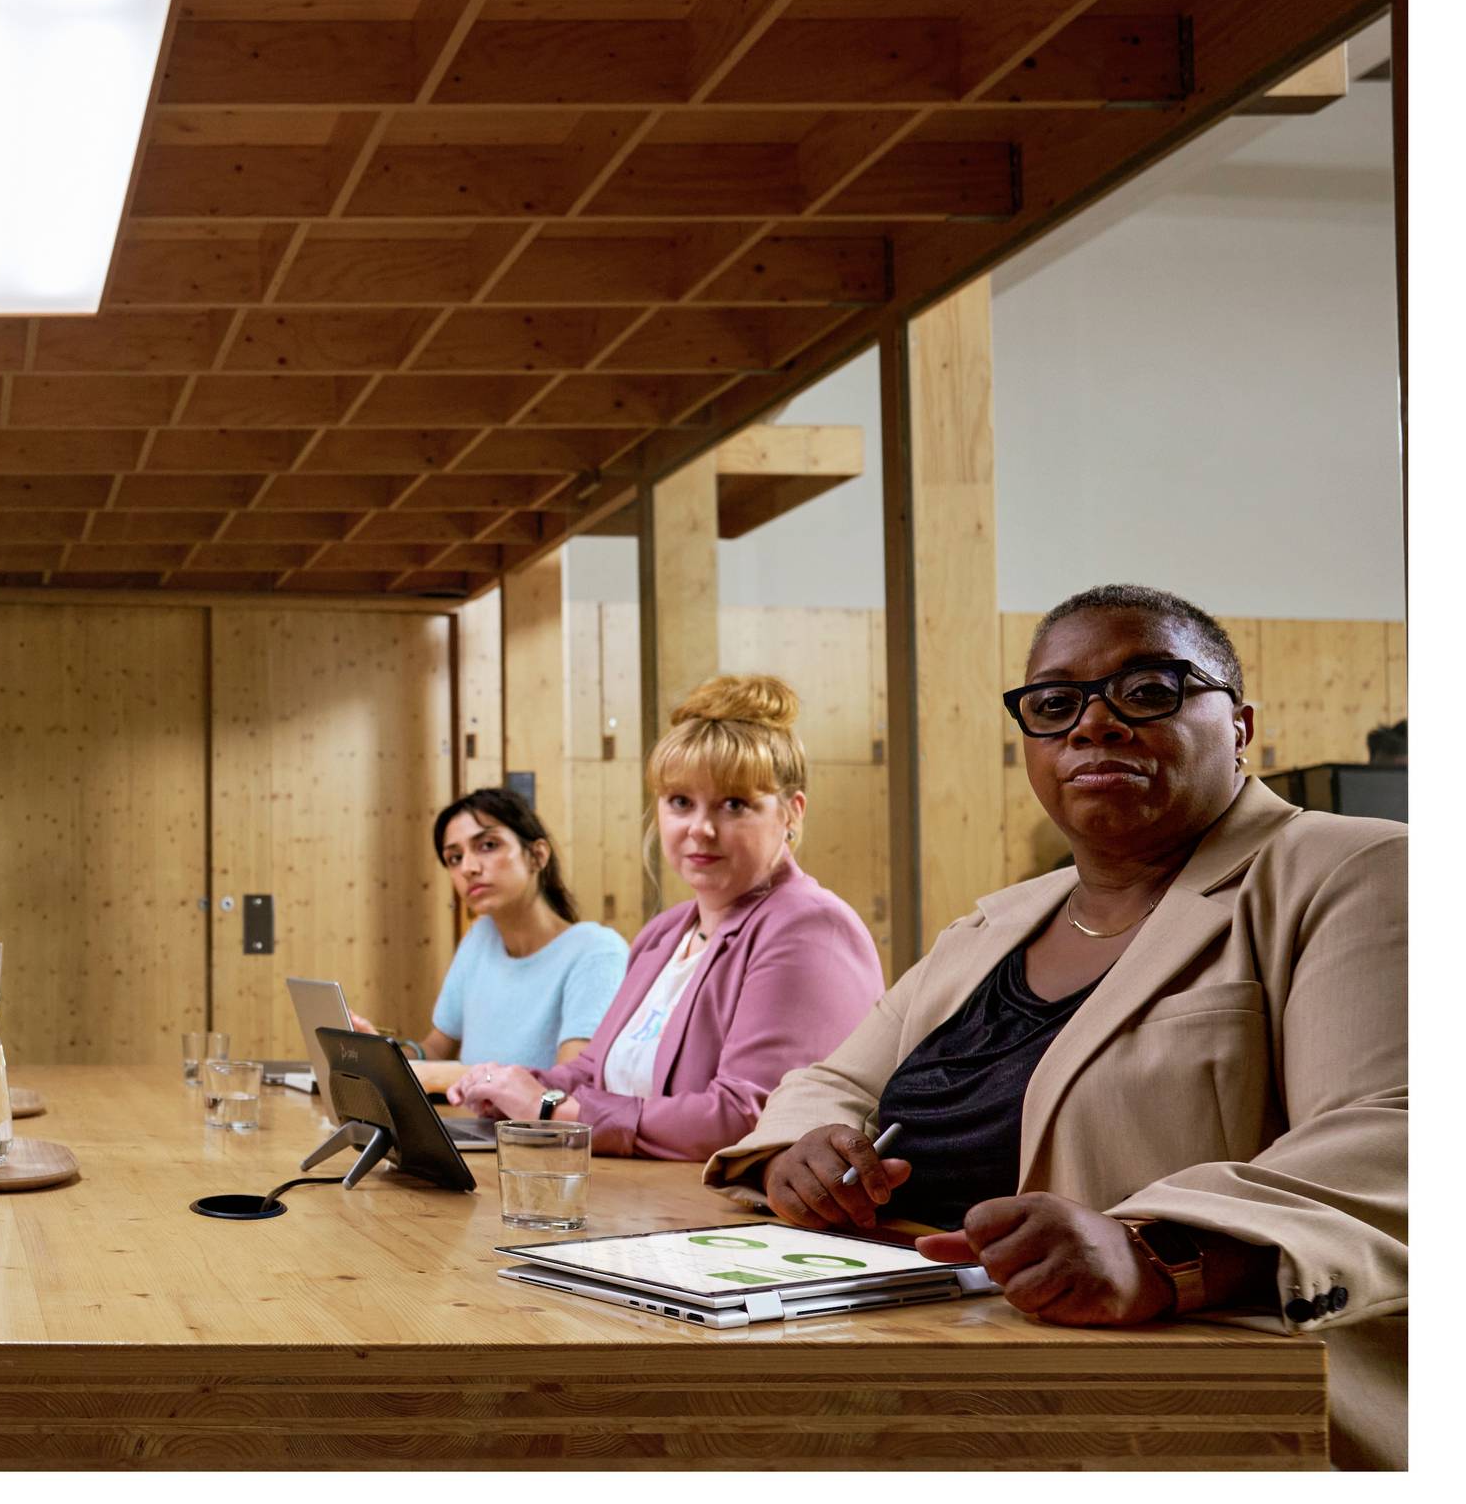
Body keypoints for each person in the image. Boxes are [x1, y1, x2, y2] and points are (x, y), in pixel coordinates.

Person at [707, 586, 1406, 1469]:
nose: (1094, 724)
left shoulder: (1351, 869)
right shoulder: (995, 925)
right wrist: (799, 1149)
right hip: (928, 1366)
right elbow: (830, 1080)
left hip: (1199, 1410)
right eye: (1054, 704)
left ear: (1239, 724)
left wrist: (1160, 1251)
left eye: (1148, 689)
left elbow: (1397, 1130)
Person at [445, 675, 883, 1160]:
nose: (701, 828)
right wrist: (513, 1086)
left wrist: (553, 1112)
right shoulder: (664, 933)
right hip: (639, 1201)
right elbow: (592, 1070)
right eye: (681, 802)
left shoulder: (810, 928)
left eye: (733, 804)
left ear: (791, 814)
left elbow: (748, 1118)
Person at [350, 788, 627, 1074]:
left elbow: (572, 1083)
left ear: (537, 855)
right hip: (469, 1117)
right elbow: (435, 1049)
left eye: (488, 845)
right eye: (454, 858)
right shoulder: (480, 937)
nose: (468, 868)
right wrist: (382, 1056)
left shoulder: (597, 951)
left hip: (526, 1120)